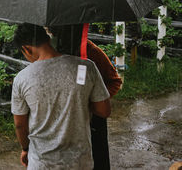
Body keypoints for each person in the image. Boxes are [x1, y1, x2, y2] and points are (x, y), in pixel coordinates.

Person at [12, 23, 111, 169]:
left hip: (43, 163)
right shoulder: (85, 67)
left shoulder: (22, 78)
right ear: (47, 39)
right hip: (80, 161)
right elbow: (104, 111)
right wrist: (79, 101)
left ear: (26, 49)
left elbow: (20, 125)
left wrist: (25, 149)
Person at [49, 24, 123, 170]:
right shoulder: (53, 50)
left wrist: (94, 102)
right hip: (66, 118)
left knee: (97, 157)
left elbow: (115, 81)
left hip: (93, 119)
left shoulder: (92, 52)